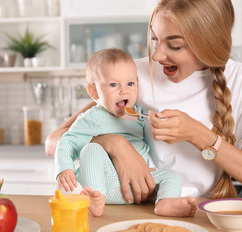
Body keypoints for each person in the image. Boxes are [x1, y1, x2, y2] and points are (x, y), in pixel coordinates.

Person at [46, 0, 242, 204]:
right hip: (138, 209)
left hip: (204, 211)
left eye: (174, 45)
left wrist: (198, 135)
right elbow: (54, 142)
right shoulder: (132, 76)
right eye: (155, 39)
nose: (156, 56)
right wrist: (115, 144)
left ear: (208, 42)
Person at [55, 48, 196, 217]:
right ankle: (95, 199)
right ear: (94, 92)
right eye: (114, 85)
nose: (124, 91)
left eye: (130, 84)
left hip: (139, 186)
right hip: (105, 184)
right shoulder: (93, 118)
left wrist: (160, 123)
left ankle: (165, 203)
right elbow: (67, 142)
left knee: (172, 175)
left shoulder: (139, 115)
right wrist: (64, 169)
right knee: (90, 149)